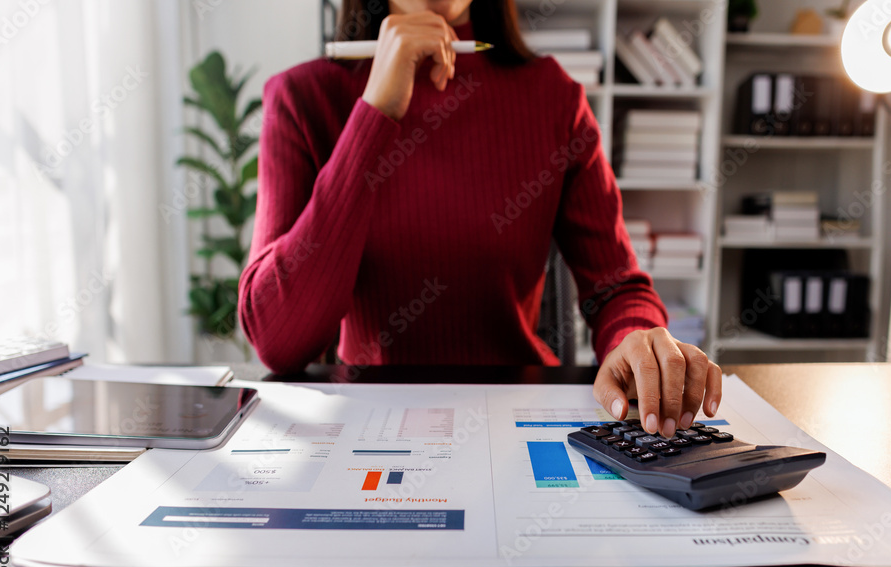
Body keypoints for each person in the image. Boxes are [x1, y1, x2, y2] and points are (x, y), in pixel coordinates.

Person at [239, 0, 722, 439]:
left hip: (516, 422)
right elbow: (279, 340)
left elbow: (617, 287)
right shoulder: (301, 97)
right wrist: (374, 113)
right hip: (366, 427)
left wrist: (634, 339)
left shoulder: (553, 97)